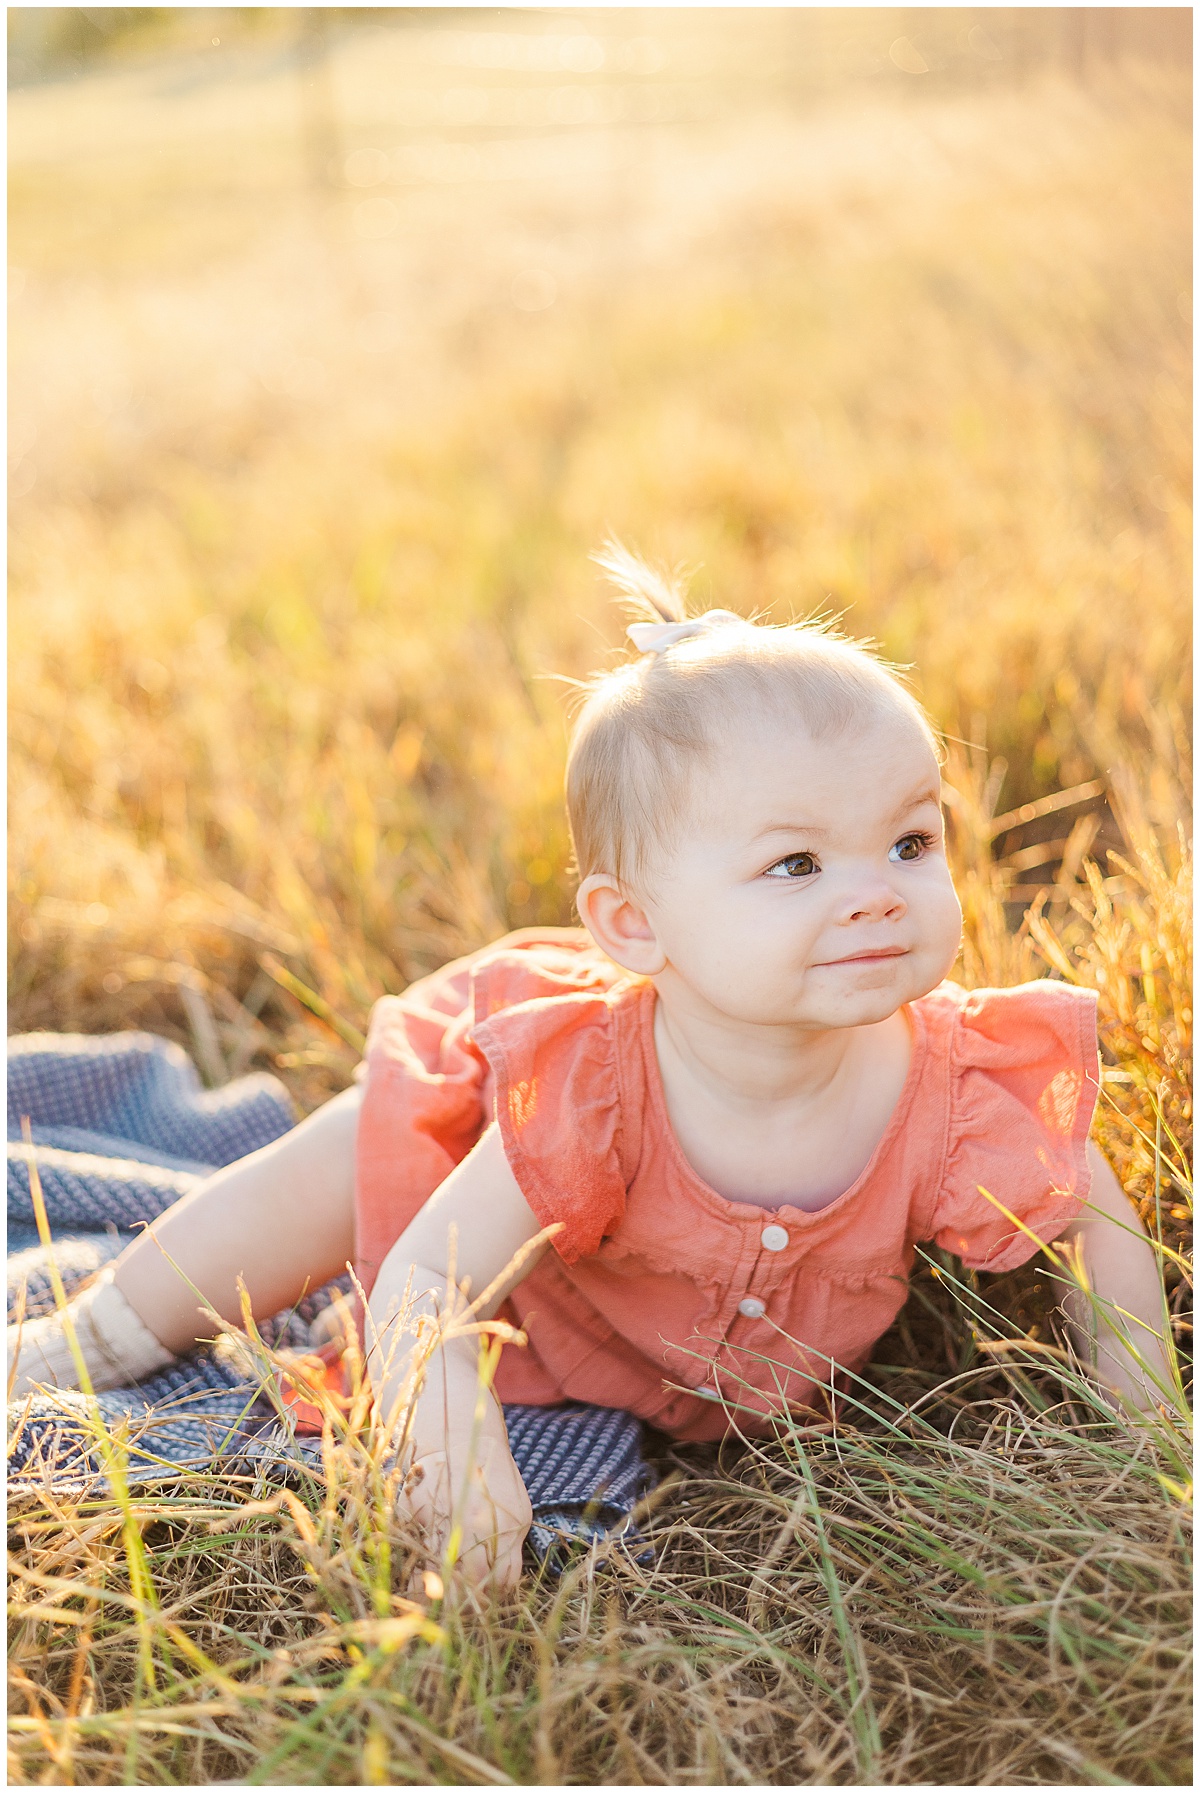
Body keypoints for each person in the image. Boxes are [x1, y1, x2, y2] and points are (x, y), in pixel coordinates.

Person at [8, 545, 1177, 1589]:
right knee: (345, 1161)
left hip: (716, 1387)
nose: (877, 890)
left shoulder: (954, 1085)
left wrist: (1146, 1423)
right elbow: (425, 1277)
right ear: (632, 926)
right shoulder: (598, 1086)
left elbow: (1089, 1203)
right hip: (528, 1301)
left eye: (911, 841)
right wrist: (450, 1442)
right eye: (795, 863)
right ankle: (103, 1333)